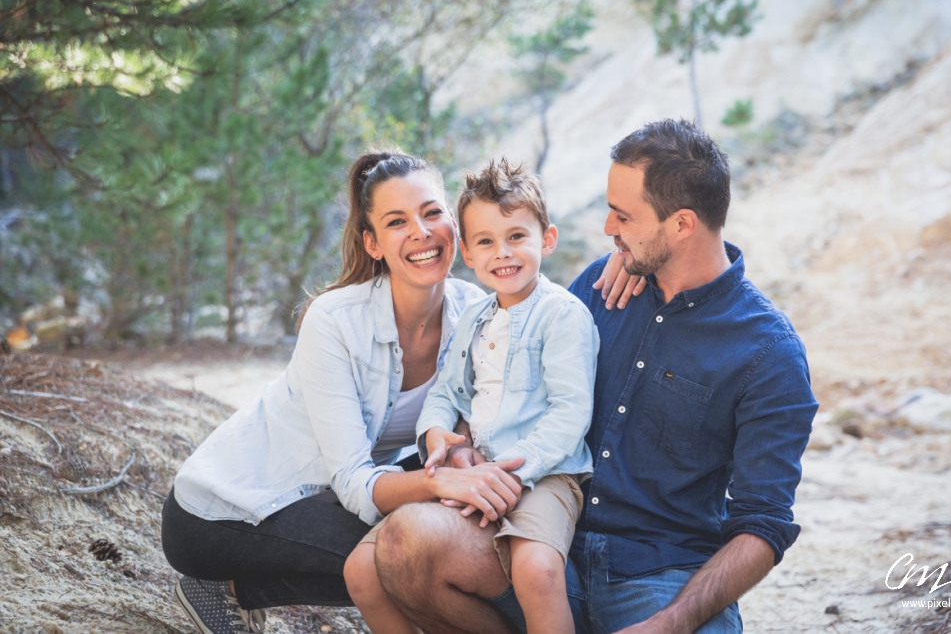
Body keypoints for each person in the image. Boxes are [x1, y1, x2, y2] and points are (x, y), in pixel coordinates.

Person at [160, 149, 640, 634]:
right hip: (227, 508)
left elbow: (533, 329)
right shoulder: (334, 321)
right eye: (396, 222)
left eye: (432, 213)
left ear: (455, 227)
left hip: (340, 492)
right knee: (407, 554)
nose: (421, 232)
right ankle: (229, 589)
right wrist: (438, 479)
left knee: (430, 549)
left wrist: (627, 259)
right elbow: (353, 479)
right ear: (372, 243)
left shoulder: (476, 309)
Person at [373, 119, 819, 634]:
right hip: (541, 540)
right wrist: (464, 442)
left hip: (661, 575)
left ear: (681, 225)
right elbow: (513, 385)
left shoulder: (768, 352)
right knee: (406, 548)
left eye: (623, 216)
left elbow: (763, 525)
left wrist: (669, 624)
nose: (609, 228)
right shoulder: (596, 289)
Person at [345, 158, 599, 634]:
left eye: (517, 237)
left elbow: (571, 413)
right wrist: (438, 437)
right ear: (467, 251)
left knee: (536, 570)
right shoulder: (475, 317)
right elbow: (447, 392)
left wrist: (514, 468)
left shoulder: (562, 315)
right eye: (486, 242)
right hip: (478, 470)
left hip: (546, 473)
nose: (502, 254)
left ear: (547, 239)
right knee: (361, 572)